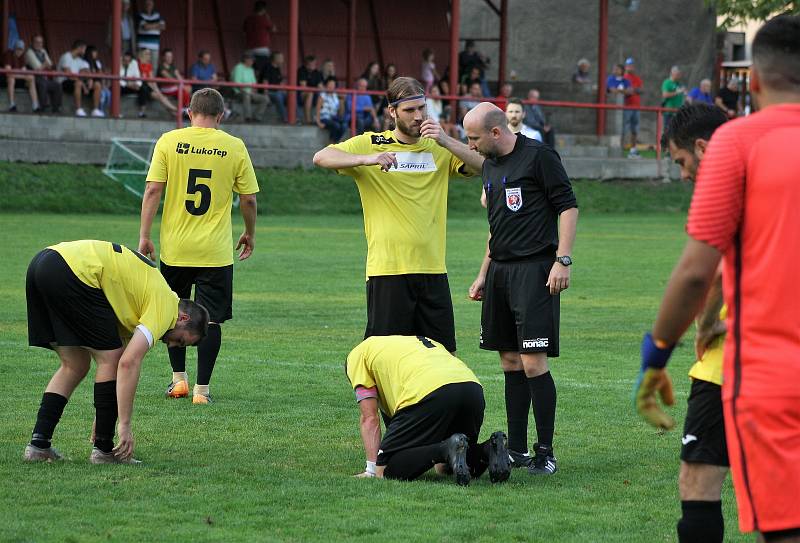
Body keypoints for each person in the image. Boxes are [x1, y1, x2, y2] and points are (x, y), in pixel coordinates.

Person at [634, 15, 800, 541]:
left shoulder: (738, 143)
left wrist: (655, 355)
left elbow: (695, 272)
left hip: (771, 373)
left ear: (750, 80)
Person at [312, 77, 484, 353]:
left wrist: (446, 140)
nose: (418, 116)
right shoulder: (372, 143)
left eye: (422, 109)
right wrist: (366, 159)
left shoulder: (438, 148)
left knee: (444, 354)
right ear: (392, 111)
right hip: (388, 270)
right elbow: (321, 157)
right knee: (384, 356)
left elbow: (484, 166)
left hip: (433, 269)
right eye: (409, 110)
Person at [465, 102, 578, 475]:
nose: (472, 145)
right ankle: (515, 449)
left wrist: (562, 259)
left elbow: (567, 206)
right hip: (499, 272)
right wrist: (483, 273)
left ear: (496, 132)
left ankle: (545, 451)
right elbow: (496, 226)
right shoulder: (492, 167)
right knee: (510, 361)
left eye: (475, 138)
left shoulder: (539, 156)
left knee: (533, 362)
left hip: (534, 270)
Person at [23, 239, 209, 464]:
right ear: (183, 317)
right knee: (110, 358)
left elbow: (120, 360)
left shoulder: (141, 301)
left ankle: (38, 445)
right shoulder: (166, 305)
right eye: (180, 340)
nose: (171, 345)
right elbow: (127, 363)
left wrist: (102, 417)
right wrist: (125, 425)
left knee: (75, 365)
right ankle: (103, 450)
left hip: (44, 262)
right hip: (74, 271)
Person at [139, 88, 260, 404]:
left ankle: (178, 381)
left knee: (171, 313)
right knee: (213, 318)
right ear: (221, 116)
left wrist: (144, 235)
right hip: (215, 252)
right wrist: (249, 232)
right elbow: (248, 198)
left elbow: (153, 190)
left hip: (176, 248)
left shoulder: (169, 141)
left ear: (189, 112)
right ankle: (202, 392)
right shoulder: (234, 146)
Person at [659, 103, 729, 543]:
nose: (684, 175)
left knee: (699, 479)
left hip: (734, 362)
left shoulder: (729, 187)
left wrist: (699, 328)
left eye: (682, 162)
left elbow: (701, 273)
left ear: (702, 147)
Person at [346, 335, 511, 485]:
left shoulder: (357, 356)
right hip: (471, 388)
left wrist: (371, 469)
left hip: (429, 391)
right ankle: (488, 449)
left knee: (385, 470)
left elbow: (370, 418)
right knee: (447, 467)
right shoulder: (416, 342)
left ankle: (446, 449)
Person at [57, 40, 103, 118]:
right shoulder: (66, 56)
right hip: (64, 81)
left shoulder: (80, 60)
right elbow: (69, 75)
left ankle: (95, 110)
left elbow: (85, 73)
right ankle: (78, 109)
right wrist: (84, 86)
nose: (85, 52)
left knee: (97, 85)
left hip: (77, 81)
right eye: (84, 49)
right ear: (79, 48)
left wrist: (90, 80)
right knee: (78, 83)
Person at [24, 34, 62, 113]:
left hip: (43, 77)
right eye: (36, 42)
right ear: (32, 42)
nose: (39, 44)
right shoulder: (29, 52)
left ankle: (56, 109)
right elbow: (37, 68)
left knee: (57, 85)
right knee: (42, 84)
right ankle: (43, 107)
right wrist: (45, 65)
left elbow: (50, 64)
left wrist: (45, 65)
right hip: (33, 78)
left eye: (41, 42)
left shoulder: (43, 51)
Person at [137, 47, 177, 117]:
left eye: (149, 54)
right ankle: (177, 110)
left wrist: (157, 90)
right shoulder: (138, 63)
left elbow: (152, 79)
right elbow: (144, 79)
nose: (149, 55)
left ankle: (176, 113)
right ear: (141, 55)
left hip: (148, 87)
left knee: (161, 96)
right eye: (146, 54)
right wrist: (157, 91)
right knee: (161, 96)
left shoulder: (148, 65)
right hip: (141, 86)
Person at [4, 39, 40, 112]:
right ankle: (12, 104)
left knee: (31, 78)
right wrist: (23, 76)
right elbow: (8, 72)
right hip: (4, 79)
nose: (19, 51)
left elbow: (24, 71)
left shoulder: (22, 56)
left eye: (21, 49)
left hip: (17, 77)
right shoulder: (9, 53)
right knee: (11, 79)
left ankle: (35, 105)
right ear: (14, 48)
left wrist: (26, 76)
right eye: (18, 49)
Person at [231, 52, 267, 122]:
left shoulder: (251, 69)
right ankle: (248, 117)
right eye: (250, 60)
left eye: (253, 60)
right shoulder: (238, 67)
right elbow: (237, 84)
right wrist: (246, 91)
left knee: (265, 98)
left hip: (250, 93)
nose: (252, 62)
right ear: (245, 59)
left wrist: (253, 90)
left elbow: (254, 84)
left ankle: (257, 117)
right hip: (239, 92)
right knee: (246, 96)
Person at [243, 1, 276, 77]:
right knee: (262, 71)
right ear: (264, 9)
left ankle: (251, 85)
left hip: (249, 48)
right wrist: (268, 18)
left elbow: (244, 31)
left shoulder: (248, 19)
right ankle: (258, 87)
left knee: (249, 70)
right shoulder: (264, 19)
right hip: (261, 48)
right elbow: (274, 29)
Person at [623, 57, 644, 158]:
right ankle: (621, 148)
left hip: (636, 107)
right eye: (628, 65)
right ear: (626, 66)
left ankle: (633, 150)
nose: (630, 67)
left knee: (634, 129)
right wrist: (630, 90)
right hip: (626, 107)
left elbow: (640, 90)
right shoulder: (624, 77)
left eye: (631, 65)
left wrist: (632, 90)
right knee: (624, 128)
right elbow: (625, 91)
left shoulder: (636, 78)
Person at [315, 76, 344, 142]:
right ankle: (331, 143)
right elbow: (318, 109)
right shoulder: (322, 95)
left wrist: (342, 102)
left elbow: (340, 112)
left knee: (344, 125)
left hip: (333, 117)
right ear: (326, 85)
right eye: (329, 84)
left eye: (333, 85)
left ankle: (335, 142)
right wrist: (318, 122)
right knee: (336, 125)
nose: (331, 86)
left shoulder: (335, 96)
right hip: (324, 117)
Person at [137, 0, 165, 66]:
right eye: (147, 3)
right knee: (142, 66)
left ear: (153, 4)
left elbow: (163, 27)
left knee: (154, 67)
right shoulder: (140, 15)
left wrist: (149, 25)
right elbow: (145, 27)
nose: (148, 5)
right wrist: (157, 25)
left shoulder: (158, 15)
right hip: (143, 47)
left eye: (150, 3)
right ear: (144, 5)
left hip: (154, 46)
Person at [85, 45, 111, 115]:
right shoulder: (85, 62)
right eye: (94, 52)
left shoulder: (97, 62)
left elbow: (100, 74)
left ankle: (107, 112)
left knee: (108, 93)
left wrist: (104, 84)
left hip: (98, 82)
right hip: (88, 82)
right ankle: (96, 109)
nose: (96, 53)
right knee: (99, 87)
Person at [262, 51, 287, 123]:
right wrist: (266, 94)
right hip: (269, 92)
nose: (282, 59)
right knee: (279, 96)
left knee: (291, 96)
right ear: (275, 59)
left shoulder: (278, 68)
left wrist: (284, 91)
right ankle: (284, 118)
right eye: (281, 58)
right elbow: (265, 81)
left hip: (277, 91)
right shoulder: (268, 67)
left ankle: (297, 117)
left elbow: (280, 82)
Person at [298, 55, 323, 124]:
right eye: (311, 63)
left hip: (315, 94)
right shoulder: (302, 70)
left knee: (322, 95)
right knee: (310, 93)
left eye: (314, 63)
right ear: (307, 64)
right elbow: (303, 86)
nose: (313, 65)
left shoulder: (316, 72)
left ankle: (322, 119)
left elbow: (320, 87)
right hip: (301, 94)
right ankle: (308, 119)